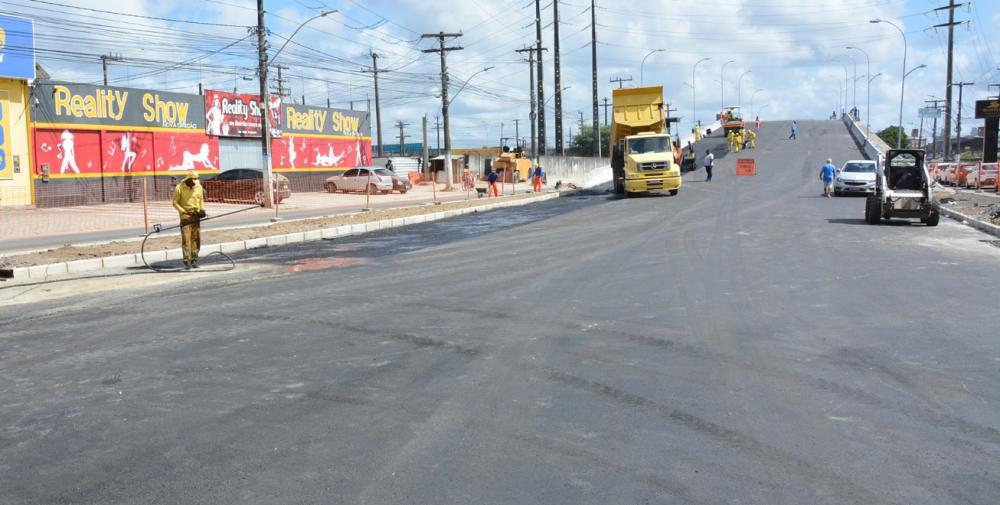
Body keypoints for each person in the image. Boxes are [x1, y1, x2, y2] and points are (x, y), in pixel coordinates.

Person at [172, 171, 206, 269]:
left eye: (196, 180)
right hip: (185, 217)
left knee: (196, 238)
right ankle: (187, 260)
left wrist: (202, 210)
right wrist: (183, 212)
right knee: (186, 239)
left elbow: (200, 200)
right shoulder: (179, 188)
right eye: (193, 180)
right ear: (188, 179)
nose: (195, 182)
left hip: (196, 216)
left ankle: (194, 259)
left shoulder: (198, 187)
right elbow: (175, 202)